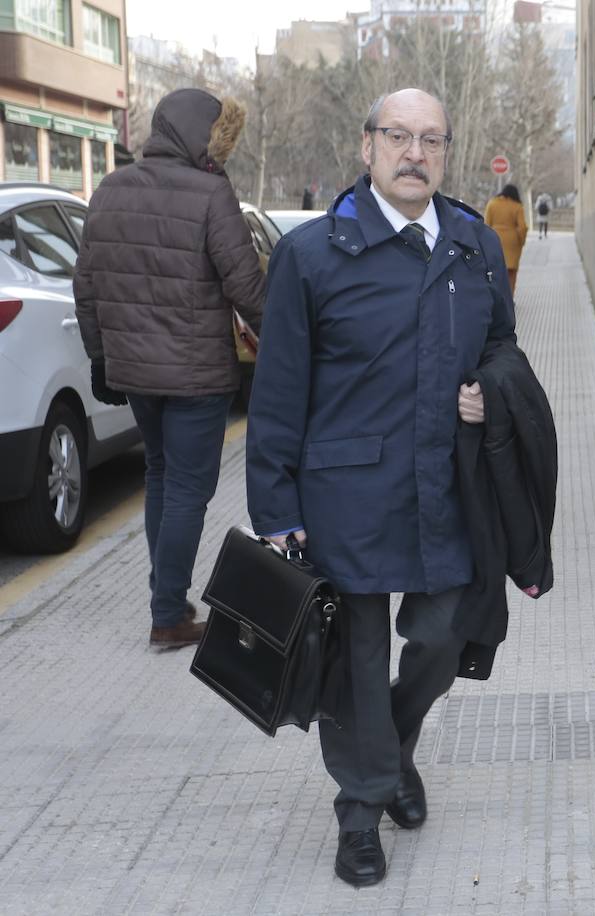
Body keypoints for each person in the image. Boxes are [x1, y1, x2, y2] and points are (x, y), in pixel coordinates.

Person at [245, 88, 517, 888]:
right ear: (366, 148)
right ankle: (360, 811)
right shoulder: (313, 254)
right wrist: (277, 510)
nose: (415, 153)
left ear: (446, 152)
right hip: (347, 495)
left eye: (432, 139)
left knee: (443, 636)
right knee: (356, 660)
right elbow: (278, 390)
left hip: (446, 487)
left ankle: (394, 743)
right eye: (398, 136)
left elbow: (503, 347)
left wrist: (491, 390)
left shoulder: (472, 244)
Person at [74, 88, 266, 650]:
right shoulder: (211, 193)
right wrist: (289, 341)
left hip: (135, 372)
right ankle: (167, 614)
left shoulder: (109, 188)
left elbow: (85, 284)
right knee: (186, 488)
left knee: (159, 476)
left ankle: (167, 596)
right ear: (204, 136)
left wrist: (99, 356)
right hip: (196, 374)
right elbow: (246, 287)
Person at [484, 183, 528, 293]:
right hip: (512, 243)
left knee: (496, 271)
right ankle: (509, 297)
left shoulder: (492, 204)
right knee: (511, 272)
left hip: (494, 239)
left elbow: (486, 224)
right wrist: (521, 241)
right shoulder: (517, 206)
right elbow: (522, 227)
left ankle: (496, 297)